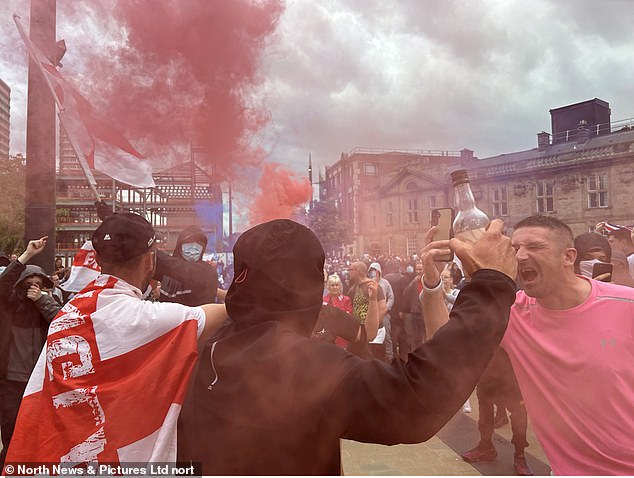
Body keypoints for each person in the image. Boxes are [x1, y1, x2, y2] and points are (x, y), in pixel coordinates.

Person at [183, 218, 518, 475]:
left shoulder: (208, 338)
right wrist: (491, 285)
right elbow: (416, 400)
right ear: (310, 284)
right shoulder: (304, 365)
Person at [4, 213, 228, 467]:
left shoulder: (66, 314)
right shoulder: (148, 319)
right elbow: (222, 312)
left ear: (97, 259)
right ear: (150, 260)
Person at [422, 215, 634, 475]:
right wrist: (431, 282)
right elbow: (445, 350)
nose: (520, 256)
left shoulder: (627, 305)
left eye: (534, 247)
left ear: (568, 256)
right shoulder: (511, 312)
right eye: (515, 248)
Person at [0, 237, 62, 468]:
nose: (32, 288)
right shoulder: (8, 307)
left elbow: (64, 323)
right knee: (12, 433)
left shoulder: (45, 305)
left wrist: (43, 301)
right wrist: (27, 255)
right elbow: (3, 283)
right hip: (11, 383)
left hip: (41, 383)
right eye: (28, 284)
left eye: (38, 284)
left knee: (40, 436)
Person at [460, 348, 533, 476]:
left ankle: (520, 455)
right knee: (485, 405)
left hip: (513, 368)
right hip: (489, 364)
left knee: (518, 412)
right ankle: (485, 446)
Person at [153, 226, 218, 306]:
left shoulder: (208, 271)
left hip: (194, 317)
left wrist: (150, 251)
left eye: (199, 244)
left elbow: (177, 267)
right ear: (179, 246)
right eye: (188, 242)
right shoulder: (169, 269)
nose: (193, 247)